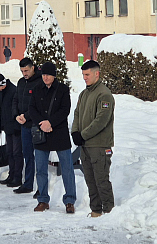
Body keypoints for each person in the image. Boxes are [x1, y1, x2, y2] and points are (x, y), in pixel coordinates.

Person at [26, 62, 76, 214]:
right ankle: (42, 200)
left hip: (59, 132)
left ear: (54, 75)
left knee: (67, 168)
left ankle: (69, 200)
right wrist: (42, 123)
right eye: (44, 75)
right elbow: (31, 109)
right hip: (42, 133)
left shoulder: (62, 89)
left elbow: (65, 109)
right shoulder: (36, 89)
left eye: (48, 75)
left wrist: (50, 122)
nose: (46, 77)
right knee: (40, 169)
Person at [71, 59, 115, 217]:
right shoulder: (84, 94)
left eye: (87, 74)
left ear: (97, 74)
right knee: (90, 179)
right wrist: (75, 132)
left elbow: (101, 120)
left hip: (100, 146)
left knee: (101, 180)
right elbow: (77, 114)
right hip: (85, 145)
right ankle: (96, 209)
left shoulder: (104, 94)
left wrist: (82, 135)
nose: (85, 78)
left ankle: (109, 211)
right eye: (83, 75)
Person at [11, 57, 40, 194]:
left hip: (35, 124)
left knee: (39, 156)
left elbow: (38, 105)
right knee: (27, 154)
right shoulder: (21, 82)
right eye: (22, 71)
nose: (24, 73)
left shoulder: (39, 82)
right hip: (23, 124)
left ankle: (41, 186)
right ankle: (28, 183)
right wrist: (16, 115)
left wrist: (26, 116)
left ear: (32, 67)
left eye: (26, 70)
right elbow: (16, 99)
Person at [0, 74, 22, 188]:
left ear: (2, 84)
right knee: (9, 153)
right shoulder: (2, 92)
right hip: (8, 127)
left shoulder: (13, 90)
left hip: (15, 128)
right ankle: (11, 175)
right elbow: (3, 111)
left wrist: (17, 127)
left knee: (16, 153)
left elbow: (16, 109)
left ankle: (17, 177)